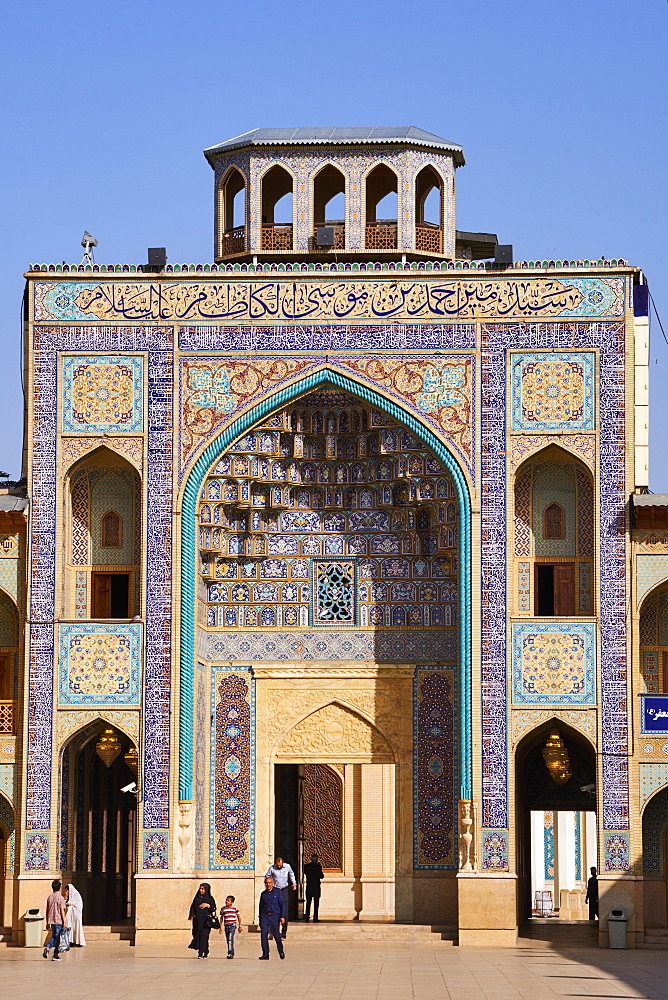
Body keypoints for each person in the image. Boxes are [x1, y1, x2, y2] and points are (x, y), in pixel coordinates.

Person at [265, 856, 296, 938]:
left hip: (284, 889)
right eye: (277, 865)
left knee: (284, 909)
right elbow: (267, 876)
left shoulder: (287, 866)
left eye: (280, 865)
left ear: (283, 863)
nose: (279, 867)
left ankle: (284, 930)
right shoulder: (272, 868)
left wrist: (294, 883)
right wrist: (269, 885)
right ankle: (275, 930)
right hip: (276, 890)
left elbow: (291, 874)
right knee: (275, 909)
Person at [258, 875, 285, 960]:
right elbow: (260, 906)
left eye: (270, 883)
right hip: (265, 916)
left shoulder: (278, 892)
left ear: (273, 883)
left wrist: (282, 916)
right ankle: (265, 953)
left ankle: (280, 951)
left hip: (274, 916)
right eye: (266, 883)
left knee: (276, 934)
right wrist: (260, 918)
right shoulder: (263, 894)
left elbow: (282, 904)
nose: (268, 884)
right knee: (264, 934)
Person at [188, 883, 217, 958]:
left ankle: (201, 952)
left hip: (205, 921)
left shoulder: (210, 898)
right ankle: (205, 950)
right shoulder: (197, 898)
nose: (201, 890)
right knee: (197, 935)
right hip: (197, 921)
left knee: (204, 936)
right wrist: (192, 915)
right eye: (200, 888)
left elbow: (213, 908)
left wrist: (208, 905)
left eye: (203, 889)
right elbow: (193, 907)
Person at [43, 879, 68, 961]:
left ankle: (55, 954)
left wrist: (47, 922)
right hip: (58, 920)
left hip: (51, 920)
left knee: (56, 937)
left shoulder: (49, 897)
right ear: (60, 888)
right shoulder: (60, 898)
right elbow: (62, 911)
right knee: (56, 937)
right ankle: (50, 949)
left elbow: (47, 910)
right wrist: (65, 921)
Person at [219, 894, 242, 959]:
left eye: (228, 900)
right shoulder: (223, 909)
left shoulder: (235, 909)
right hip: (226, 926)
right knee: (228, 939)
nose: (226, 901)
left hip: (232, 925)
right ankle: (232, 951)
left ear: (232, 902)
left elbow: (239, 917)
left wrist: (240, 926)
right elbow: (221, 918)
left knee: (230, 939)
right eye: (226, 900)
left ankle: (230, 953)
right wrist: (220, 927)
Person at [303, 853, 324, 922]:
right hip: (316, 886)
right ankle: (315, 917)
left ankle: (307, 917)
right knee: (316, 903)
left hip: (309, 886)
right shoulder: (318, 867)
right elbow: (321, 876)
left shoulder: (306, 866)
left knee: (308, 902)